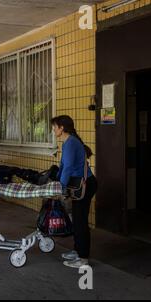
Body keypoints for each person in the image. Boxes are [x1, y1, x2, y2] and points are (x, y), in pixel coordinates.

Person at [51, 115, 97, 268]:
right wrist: (58, 180)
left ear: (61, 128)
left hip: (85, 185)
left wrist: (61, 187)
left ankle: (83, 258)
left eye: (54, 126)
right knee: (76, 220)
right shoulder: (67, 142)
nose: (53, 129)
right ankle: (78, 251)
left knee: (80, 222)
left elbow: (69, 167)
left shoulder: (71, 143)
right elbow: (64, 166)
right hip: (79, 185)